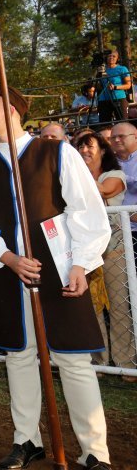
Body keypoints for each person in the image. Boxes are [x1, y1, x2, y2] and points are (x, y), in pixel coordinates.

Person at [0, 86, 116, 470]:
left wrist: (80, 264)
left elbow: (86, 210)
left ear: (11, 110)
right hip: (11, 275)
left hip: (59, 271)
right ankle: (26, 440)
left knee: (73, 361)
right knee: (20, 357)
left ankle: (95, 453)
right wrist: (9, 258)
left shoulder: (56, 152)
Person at [72, 131, 136, 381]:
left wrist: (76, 170)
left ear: (103, 150)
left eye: (88, 146)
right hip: (85, 252)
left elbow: (103, 191)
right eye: (79, 148)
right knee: (92, 308)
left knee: (119, 307)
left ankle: (126, 362)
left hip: (114, 251)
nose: (84, 151)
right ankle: (99, 361)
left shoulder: (116, 176)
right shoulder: (75, 179)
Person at [97, 49, 132, 123]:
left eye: (114, 56)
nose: (111, 58)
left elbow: (128, 85)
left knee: (123, 123)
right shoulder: (102, 70)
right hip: (104, 100)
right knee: (104, 124)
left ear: (117, 58)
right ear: (106, 58)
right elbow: (99, 86)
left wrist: (116, 87)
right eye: (109, 56)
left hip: (119, 98)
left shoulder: (122, 69)